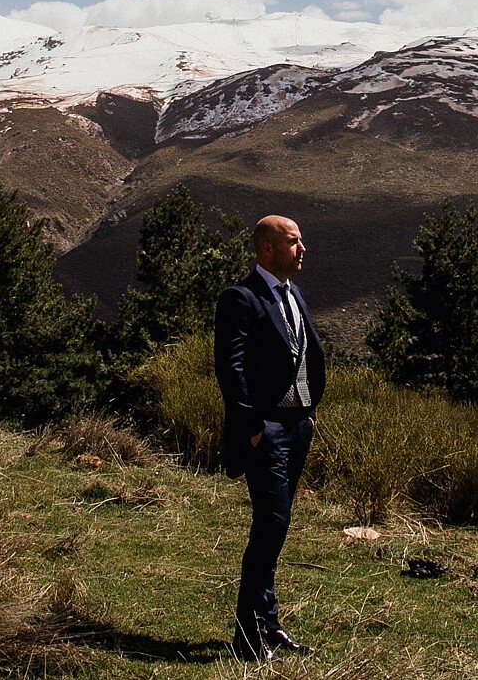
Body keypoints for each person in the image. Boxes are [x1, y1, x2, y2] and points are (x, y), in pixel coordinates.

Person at [214, 213, 326, 663]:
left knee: (276, 529)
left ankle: (269, 625)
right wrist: (253, 427)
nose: (303, 249)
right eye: (294, 242)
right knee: (270, 526)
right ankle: (248, 639)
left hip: (298, 426)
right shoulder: (240, 298)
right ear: (268, 249)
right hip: (268, 431)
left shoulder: (293, 293)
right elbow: (231, 367)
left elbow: (305, 355)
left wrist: (309, 413)